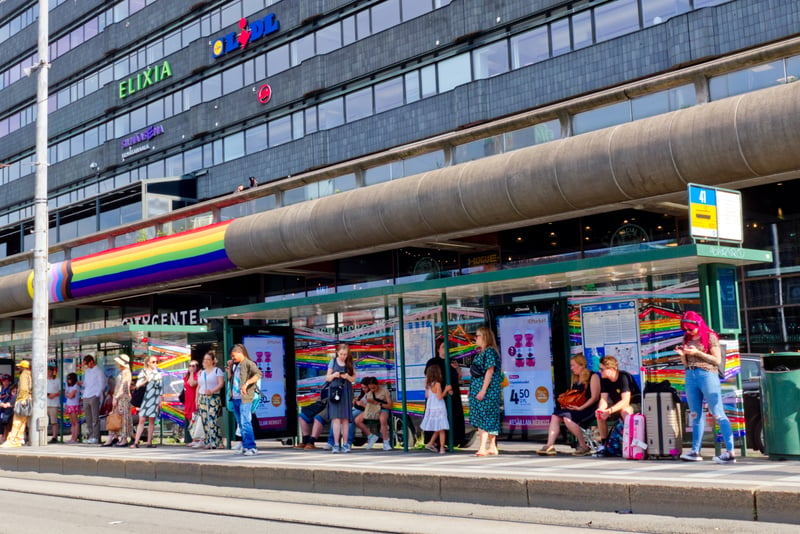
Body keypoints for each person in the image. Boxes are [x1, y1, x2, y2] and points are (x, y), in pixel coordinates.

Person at [675, 310, 736, 464]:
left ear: (698, 324)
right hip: (690, 374)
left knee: (717, 412)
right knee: (695, 414)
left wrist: (697, 352)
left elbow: (717, 360)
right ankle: (695, 450)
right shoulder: (686, 338)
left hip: (707, 374)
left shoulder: (709, 336)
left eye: (690, 329)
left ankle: (730, 452)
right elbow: (687, 363)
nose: (688, 332)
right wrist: (683, 355)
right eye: (686, 329)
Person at [537, 354, 601, 456]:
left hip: (588, 408)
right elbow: (573, 395)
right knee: (555, 415)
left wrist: (580, 408)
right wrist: (568, 404)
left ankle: (583, 446)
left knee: (567, 418)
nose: (571, 368)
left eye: (573, 365)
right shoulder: (575, 378)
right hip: (576, 408)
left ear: (581, 365)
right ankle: (550, 445)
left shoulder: (593, 376)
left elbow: (595, 398)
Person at [595, 355, 641, 454]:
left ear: (611, 369)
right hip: (617, 406)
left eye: (602, 369)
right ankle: (604, 444)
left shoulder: (623, 377)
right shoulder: (604, 379)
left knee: (625, 411)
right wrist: (602, 409)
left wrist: (610, 410)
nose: (600, 371)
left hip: (634, 405)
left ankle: (630, 441)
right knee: (600, 414)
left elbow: (626, 401)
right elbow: (603, 399)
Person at [425, 338, 466, 448]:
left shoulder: (452, 360)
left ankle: (451, 441)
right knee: (439, 418)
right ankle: (435, 442)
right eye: (443, 347)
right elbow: (428, 378)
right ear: (438, 349)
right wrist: (427, 391)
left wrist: (457, 369)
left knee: (453, 416)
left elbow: (457, 378)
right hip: (438, 394)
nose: (446, 349)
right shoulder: (433, 362)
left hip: (452, 394)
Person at [470, 327, 503, 457]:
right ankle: (492, 446)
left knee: (483, 417)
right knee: (490, 417)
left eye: (477, 335)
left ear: (484, 337)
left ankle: (483, 447)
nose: (475, 338)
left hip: (485, 391)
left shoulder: (488, 352)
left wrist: (483, 390)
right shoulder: (485, 352)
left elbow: (490, 371)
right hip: (487, 390)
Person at [228, 344, 262, 456]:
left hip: (245, 397)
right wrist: (229, 369)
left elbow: (258, 374)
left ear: (240, 353)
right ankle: (245, 445)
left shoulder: (248, 363)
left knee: (246, 422)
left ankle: (251, 446)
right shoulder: (234, 365)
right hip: (235, 397)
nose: (233, 358)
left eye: (234, 356)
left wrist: (246, 384)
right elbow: (231, 379)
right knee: (241, 423)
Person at [326, 343, 356, 453]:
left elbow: (354, 379)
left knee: (345, 419)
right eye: (341, 354)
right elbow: (327, 378)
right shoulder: (333, 362)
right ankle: (336, 444)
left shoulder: (350, 363)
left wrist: (347, 376)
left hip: (346, 392)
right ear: (337, 353)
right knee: (336, 419)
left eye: (345, 354)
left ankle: (346, 444)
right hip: (335, 392)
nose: (343, 356)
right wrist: (334, 375)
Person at [131, 355, 163, 448]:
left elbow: (160, 389)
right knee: (142, 419)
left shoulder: (158, 374)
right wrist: (146, 380)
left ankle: (149, 442)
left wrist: (160, 401)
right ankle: (136, 442)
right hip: (145, 398)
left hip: (154, 398)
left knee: (151, 420)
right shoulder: (143, 372)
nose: (155, 363)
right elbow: (137, 385)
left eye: (156, 362)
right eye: (153, 362)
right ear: (148, 363)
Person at [420, 364, 452, 454]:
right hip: (439, 406)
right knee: (441, 428)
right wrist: (446, 390)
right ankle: (442, 447)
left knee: (438, 427)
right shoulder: (437, 384)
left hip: (431, 407)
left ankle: (430, 443)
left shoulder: (427, 383)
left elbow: (427, 395)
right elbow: (439, 397)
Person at [196, 351, 224, 449]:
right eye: (205, 359)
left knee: (212, 420)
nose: (206, 361)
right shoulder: (201, 372)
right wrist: (197, 400)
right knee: (205, 421)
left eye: (208, 359)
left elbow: (220, 384)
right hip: (202, 397)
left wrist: (212, 391)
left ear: (213, 361)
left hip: (213, 397)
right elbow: (199, 386)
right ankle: (209, 441)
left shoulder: (217, 371)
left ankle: (218, 441)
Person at [354, 377, 392, 451]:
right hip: (372, 409)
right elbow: (368, 407)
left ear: (377, 385)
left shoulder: (384, 391)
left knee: (383, 420)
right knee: (357, 420)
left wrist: (379, 404)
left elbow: (390, 405)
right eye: (371, 388)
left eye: (374, 388)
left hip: (383, 408)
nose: (373, 390)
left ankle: (386, 442)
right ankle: (371, 436)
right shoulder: (370, 393)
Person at [103, 355, 133, 447]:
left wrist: (116, 397)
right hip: (120, 398)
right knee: (116, 417)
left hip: (123, 398)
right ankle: (113, 437)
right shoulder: (123, 372)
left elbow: (123, 386)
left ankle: (123, 438)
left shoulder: (126, 372)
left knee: (122, 417)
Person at [1, 360, 32, 448]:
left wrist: (19, 400)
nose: (18, 368)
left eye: (20, 367)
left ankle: (12, 440)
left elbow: (23, 389)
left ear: (23, 367)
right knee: (23, 422)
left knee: (16, 421)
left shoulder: (23, 375)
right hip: (28, 401)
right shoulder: (30, 375)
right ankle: (18, 439)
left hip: (22, 400)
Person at [82, 354, 105, 444]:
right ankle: (91, 435)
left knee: (95, 417)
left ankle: (96, 436)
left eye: (87, 364)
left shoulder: (98, 371)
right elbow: (86, 383)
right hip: (86, 395)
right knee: (88, 418)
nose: (87, 366)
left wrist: (97, 394)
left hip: (94, 396)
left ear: (91, 362)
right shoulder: (87, 371)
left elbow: (102, 383)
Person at [183, 359, 199, 445]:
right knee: (189, 419)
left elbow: (192, 384)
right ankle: (193, 438)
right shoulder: (186, 376)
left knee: (194, 419)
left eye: (193, 366)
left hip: (194, 400)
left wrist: (192, 373)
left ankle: (196, 439)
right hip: (188, 401)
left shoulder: (197, 375)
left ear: (197, 367)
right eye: (190, 366)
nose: (191, 367)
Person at [64, 372, 81, 443]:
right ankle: (72, 437)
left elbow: (71, 395)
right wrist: (69, 395)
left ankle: (75, 438)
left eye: (70, 379)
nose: (68, 380)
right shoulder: (68, 387)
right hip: (69, 404)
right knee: (72, 422)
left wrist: (69, 395)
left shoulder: (76, 386)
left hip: (74, 405)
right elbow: (67, 394)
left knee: (75, 422)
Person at [46, 365, 60, 443]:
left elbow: (61, 390)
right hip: (45, 403)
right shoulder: (44, 380)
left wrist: (54, 395)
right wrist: (48, 395)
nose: (48, 373)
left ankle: (54, 436)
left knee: (54, 421)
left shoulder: (57, 380)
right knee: (44, 420)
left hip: (54, 403)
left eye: (50, 371)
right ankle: (43, 435)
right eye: (47, 371)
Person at [0, 375, 15, 443]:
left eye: (7, 381)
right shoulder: (2, 388)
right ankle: (3, 437)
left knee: (7, 424)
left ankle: (5, 437)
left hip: (7, 409)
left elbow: (9, 398)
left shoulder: (9, 389)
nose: (5, 383)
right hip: (2, 409)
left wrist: (3, 403)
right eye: (4, 381)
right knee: (3, 423)